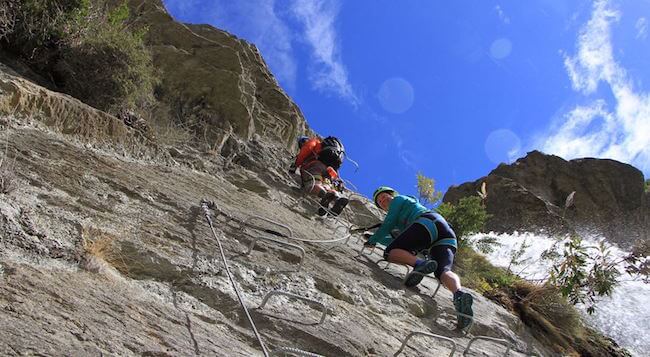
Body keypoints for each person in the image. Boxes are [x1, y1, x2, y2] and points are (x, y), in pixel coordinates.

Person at [364, 186, 474, 329]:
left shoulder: (399, 200)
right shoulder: (405, 214)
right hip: (445, 234)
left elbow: (388, 223)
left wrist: (373, 240)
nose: (383, 200)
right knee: (442, 271)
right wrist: (375, 238)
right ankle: (459, 294)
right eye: (380, 201)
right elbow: (396, 240)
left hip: (427, 222)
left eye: (384, 196)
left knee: (389, 253)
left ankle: (419, 264)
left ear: (392, 195)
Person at [288, 135, 348, 216]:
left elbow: (306, 149)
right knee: (327, 186)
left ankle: (325, 196)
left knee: (314, 184)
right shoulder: (330, 153)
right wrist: (338, 181)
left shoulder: (314, 142)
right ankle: (337, 199)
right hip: (329, 172)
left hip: (315, 166)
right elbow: (335, 171)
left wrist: (295, 165)